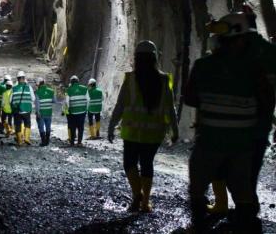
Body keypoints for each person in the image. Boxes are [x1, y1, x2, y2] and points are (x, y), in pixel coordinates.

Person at [184, 12, 272, 232]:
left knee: (198, 187)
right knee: (243, 190)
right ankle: (245, 225)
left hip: (210, 140)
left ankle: (200, 224)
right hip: (242, 143)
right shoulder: (254, 69)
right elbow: (266, 101)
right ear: (242, 39)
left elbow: (190, 98)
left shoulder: (203, 66)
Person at [108, 40, 178, 213]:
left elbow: (120, 104)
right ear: (155, 58)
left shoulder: (131, 79)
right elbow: (170, 108)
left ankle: (136, 195)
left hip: (132, 131)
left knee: (129, 163)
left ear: (136, 58)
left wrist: (111, 125)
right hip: (154, 133)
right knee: (147, 164)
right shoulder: (163, 80)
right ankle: (145, 202)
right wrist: (174, 130)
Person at [11, 71, 36, 146]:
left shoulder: (14, 88)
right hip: (26, 110)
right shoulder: (29, 87)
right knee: (27, 124)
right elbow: (33, 98)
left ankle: (19, 141)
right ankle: (26, 138)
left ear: (17, 79)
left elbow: (10, 100)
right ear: (24, 78)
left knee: (18, 125)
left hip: (17, 111)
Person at [65, 75, 89, 146]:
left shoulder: (68, 90)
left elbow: (67, 102)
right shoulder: (85, 88)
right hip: (82, 112)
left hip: (73, 112)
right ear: (78, 81)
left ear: (71, 82)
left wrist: (69, 109)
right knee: (81, 127)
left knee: (73, 127)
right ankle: (79, 142)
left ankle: (72, 142)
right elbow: (88, 100)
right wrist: (86, 109)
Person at [35, 77, 56, 146]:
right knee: (48, 126)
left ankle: (43, 142)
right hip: (49, 112)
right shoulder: (51, 91)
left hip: (41, 113)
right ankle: (47, 141)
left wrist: (37, 112)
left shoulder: (37, 92)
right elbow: (54, 101)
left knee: (41, 127)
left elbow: (37, 104)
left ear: (38, 84)